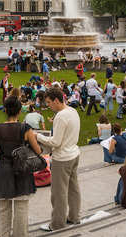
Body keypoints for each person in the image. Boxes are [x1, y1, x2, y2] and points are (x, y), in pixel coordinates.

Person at [0, 95, 42, 237]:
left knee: (4, 207)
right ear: (19, 111)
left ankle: (3, 234)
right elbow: (38, 150)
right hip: (22, 168)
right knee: (21, 206)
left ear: (5, 110)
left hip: (5, 168)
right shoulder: (25, 128)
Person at [37, 86, 81, 231]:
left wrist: (37, 135)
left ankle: (57, 224)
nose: (48, 105)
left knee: (58, 193)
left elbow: (55, 142)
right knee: (73, 188)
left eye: (49, 102)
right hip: (74, 154)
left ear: (56, 100)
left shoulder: (61, 116)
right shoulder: (72, 111)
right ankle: (74, 217)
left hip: (62, 158)